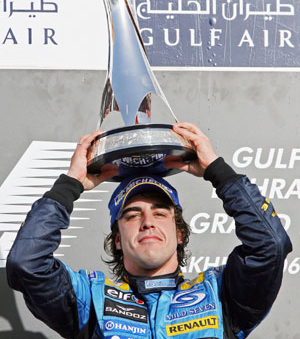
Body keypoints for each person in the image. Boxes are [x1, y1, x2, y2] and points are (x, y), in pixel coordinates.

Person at [6, 122, 292, 339]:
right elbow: (27, 263)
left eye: (159, 212)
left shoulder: (220, 295)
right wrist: (70, 184)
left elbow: (270, 247)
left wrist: (218, 171)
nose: (147, 222)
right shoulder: (90, 300)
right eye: (132, 215)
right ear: (117, 240)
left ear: (179, 233)